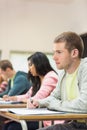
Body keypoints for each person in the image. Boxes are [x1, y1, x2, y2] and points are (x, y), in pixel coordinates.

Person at [28, 31, 87, 130]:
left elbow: (84, 105)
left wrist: (53, 104)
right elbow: (54, 97)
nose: (54, 57)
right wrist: (39, 102)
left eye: (59, 52)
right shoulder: (63, 73)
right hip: (76, 123)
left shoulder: (85, 69)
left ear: (74, 53)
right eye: (54, 52)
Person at [2, 52, 59, 130]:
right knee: (6, 125)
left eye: (30, 65)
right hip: (38, 114)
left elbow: (35, 101)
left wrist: (28, 100)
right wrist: (13, 98)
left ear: (39, 64)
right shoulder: (38, 79)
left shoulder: (51, 77)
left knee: (12, 127)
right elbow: (28, 96)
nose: (29, 69)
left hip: (48, 119)